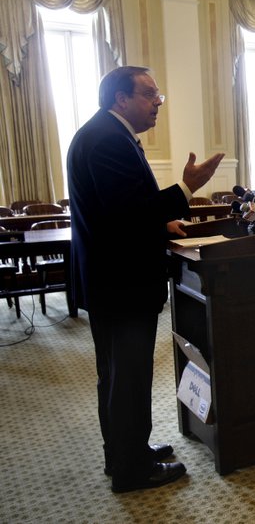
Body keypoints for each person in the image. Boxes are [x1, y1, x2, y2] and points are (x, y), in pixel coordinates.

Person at [67, 66, 224, 493]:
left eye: (159, 95)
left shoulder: (106, 134)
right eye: (150, 94)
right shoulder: (106, 140)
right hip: (121, 283)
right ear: (120, 98)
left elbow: (118, 211)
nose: (158, 102)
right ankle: (132, 469)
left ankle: (124, 451)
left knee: (118, 374)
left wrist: (161, 226)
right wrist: (186, 189)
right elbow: (125, 215)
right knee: (127, 375)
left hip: (113, 279)